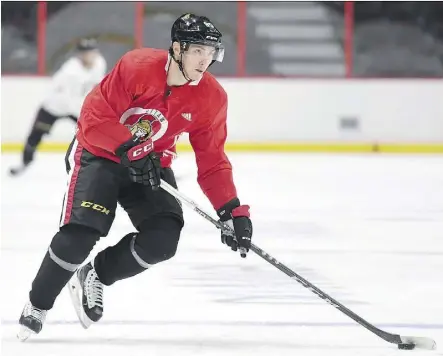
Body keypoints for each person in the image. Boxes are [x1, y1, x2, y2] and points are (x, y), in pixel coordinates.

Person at [17, 13, 253, 341]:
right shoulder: (136, 67)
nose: (206, 60)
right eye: (198, 50)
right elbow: (93, 118)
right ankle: (37, 305)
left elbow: (212, 159)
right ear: (177, 48)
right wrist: (129, 147)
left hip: (150, 161)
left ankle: (96, 274)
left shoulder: (212, 98)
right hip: (100, 153)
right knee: (80, 236)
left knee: (162, 239)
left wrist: (231, 209)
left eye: (211, 52)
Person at [9, 38, 107, 176]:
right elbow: (67, 98)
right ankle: (24, 163)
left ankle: (102, 164)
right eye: (85, 52)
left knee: (95, 134)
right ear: (79, 54)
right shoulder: (70, 72)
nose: (89, 55)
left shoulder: (99, 63)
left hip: (77, 106)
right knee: (36, 135)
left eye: (91, 51)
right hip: (55, 106)